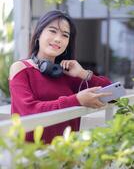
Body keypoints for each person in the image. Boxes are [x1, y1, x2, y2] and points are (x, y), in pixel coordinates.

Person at [9, 10, 111, 144]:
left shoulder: (67, 72)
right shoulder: (21, 68)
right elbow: (28, 111)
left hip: (66, 154)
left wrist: (83, 74)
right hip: (33, 155)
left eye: (65, 35)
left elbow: (111, 92)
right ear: (38, 33)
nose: (58, 39)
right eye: (52, 31)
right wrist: (76, 100)